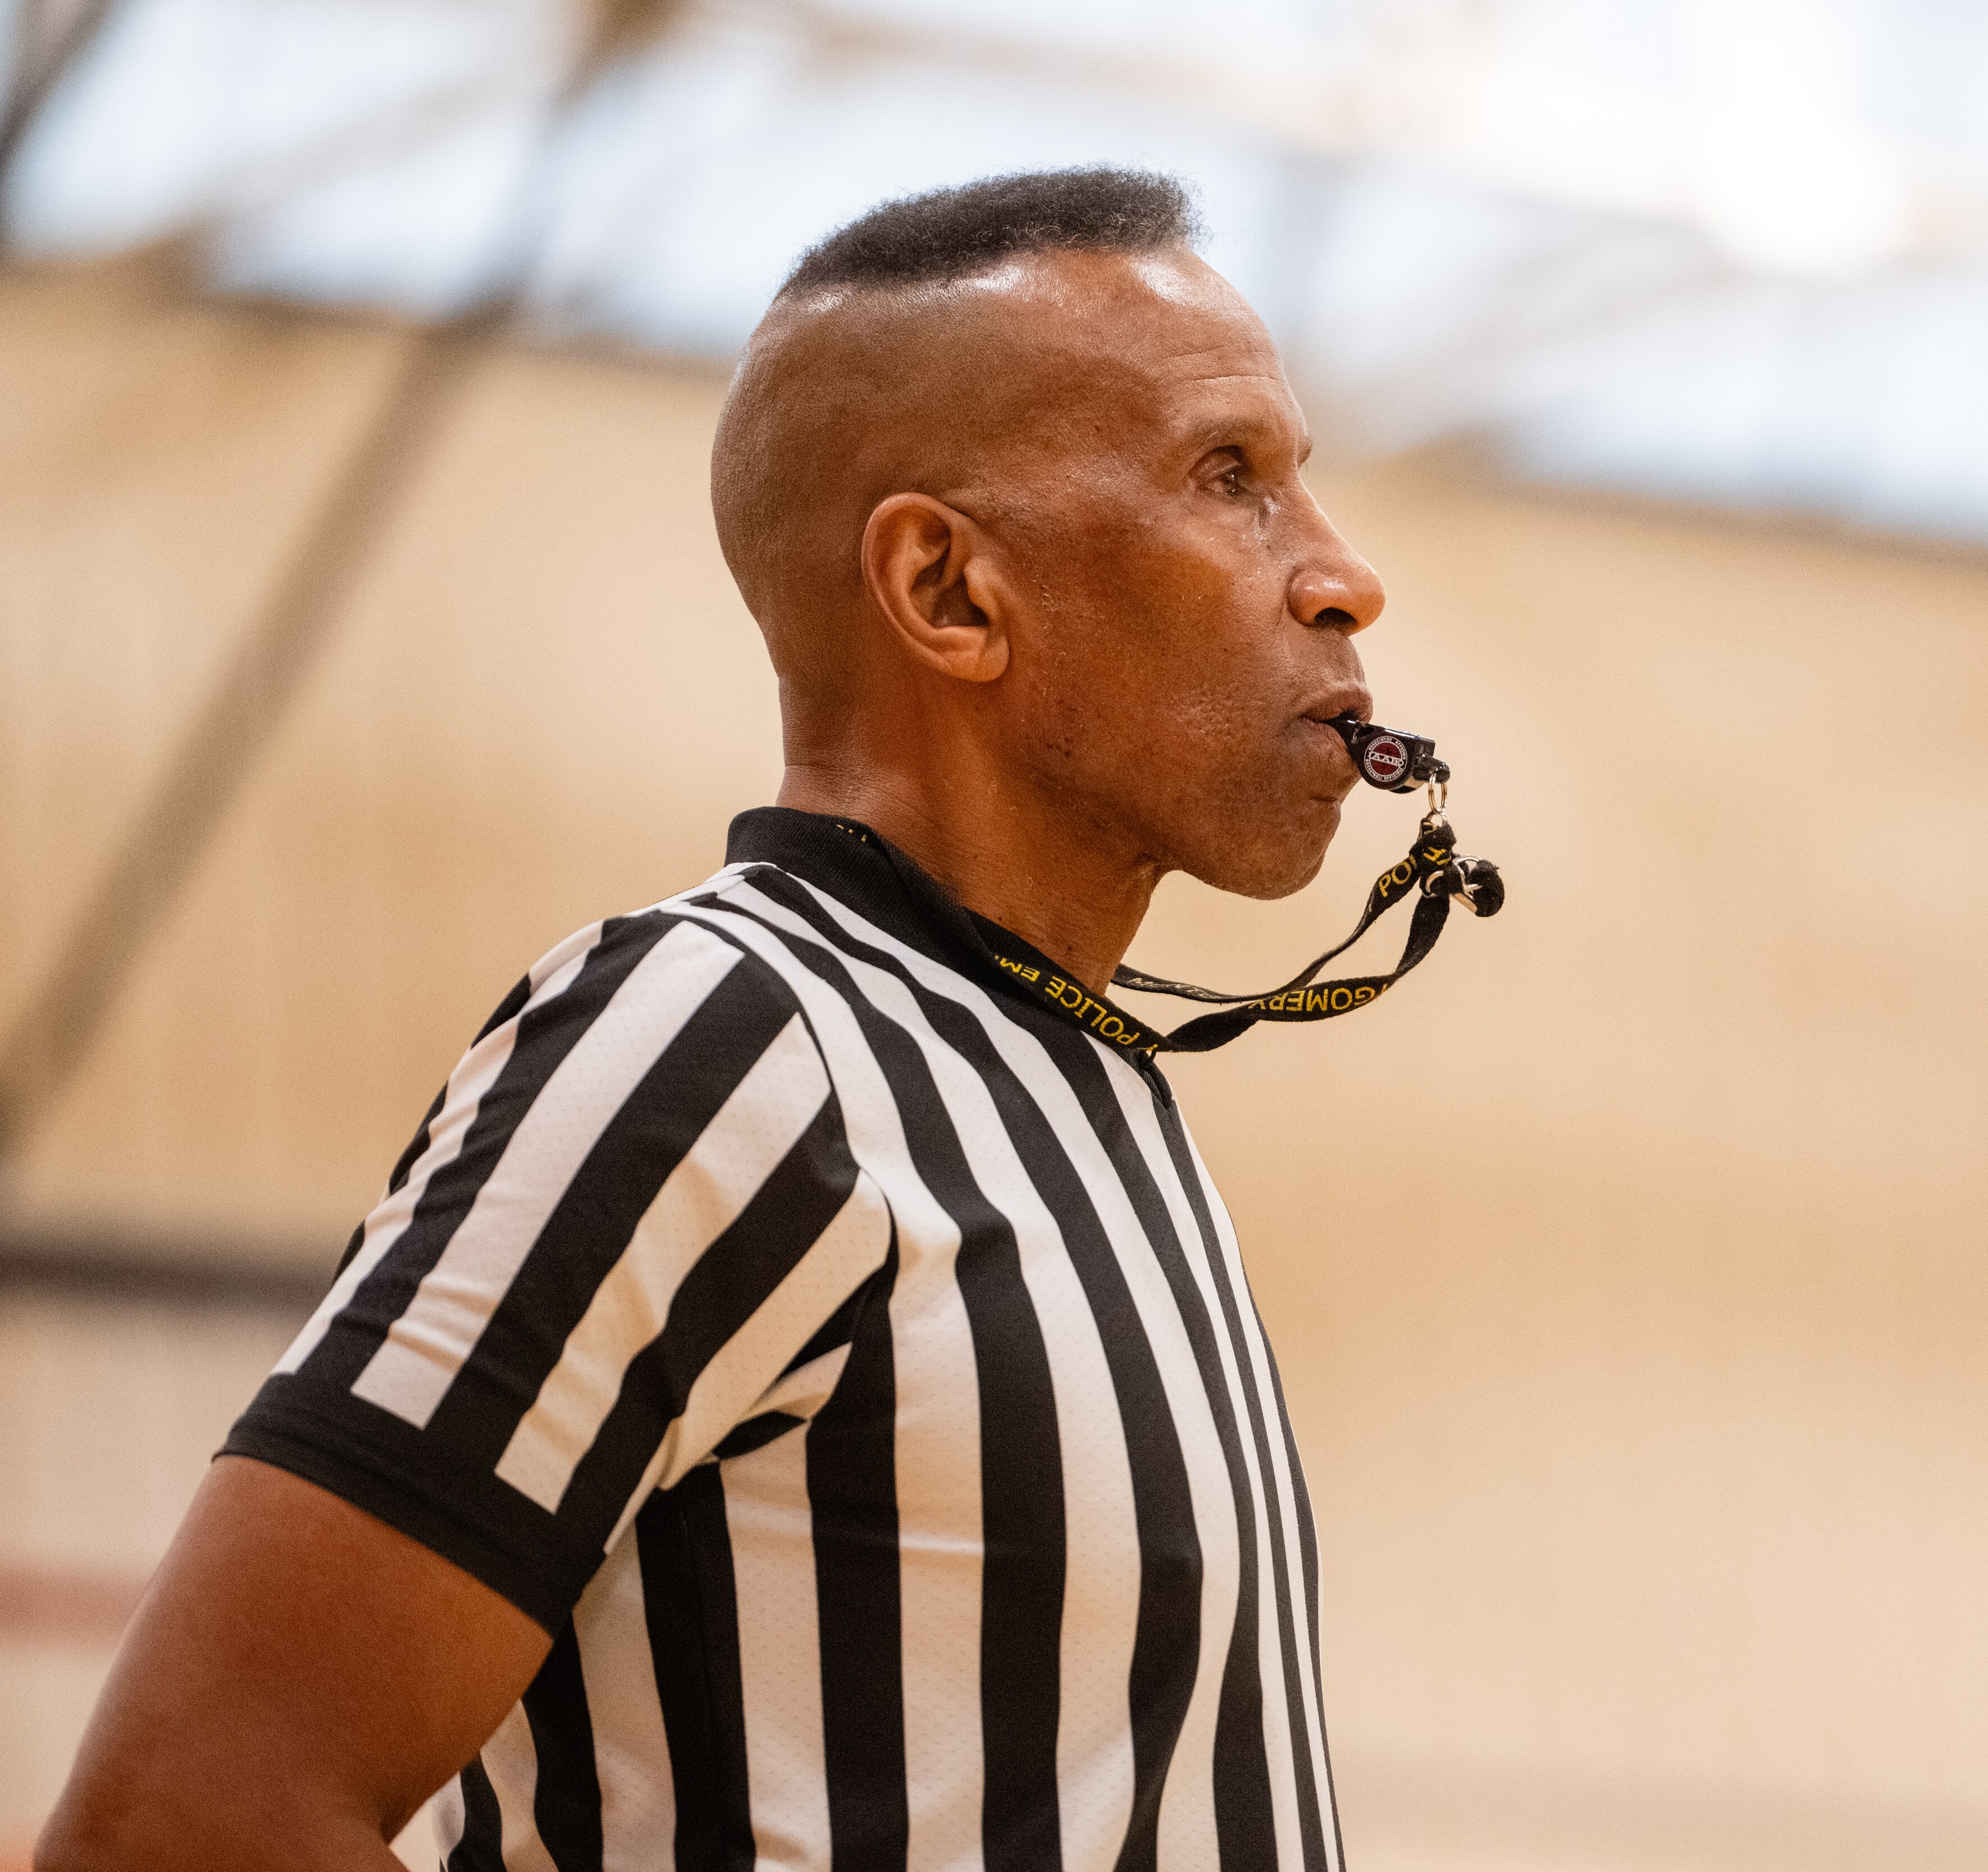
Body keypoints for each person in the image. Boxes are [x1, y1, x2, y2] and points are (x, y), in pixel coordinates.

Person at [40, 166, 1386, 1872]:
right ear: (952, 592)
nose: (1344, 580)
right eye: (1232, 479)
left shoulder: (1087, 1089)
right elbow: (182, 1822)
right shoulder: (717, 1040)